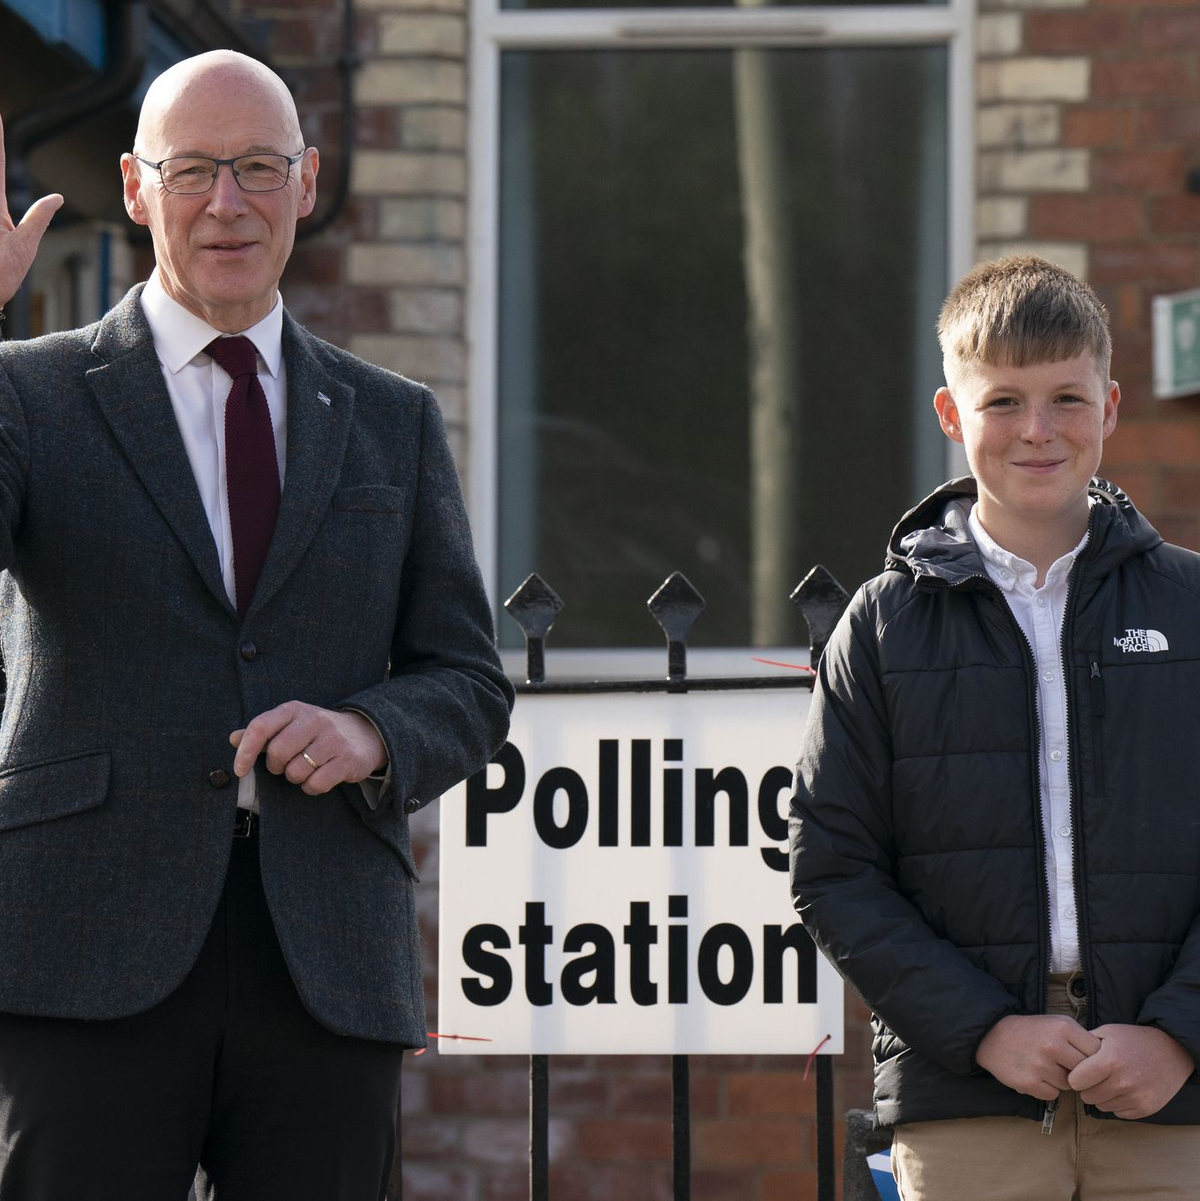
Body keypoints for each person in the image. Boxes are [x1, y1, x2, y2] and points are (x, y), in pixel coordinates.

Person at [0, 50, 513, 1200]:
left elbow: (469, 681)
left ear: (307, 181)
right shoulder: (28, 393)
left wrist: (375, 732)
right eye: (192, 170)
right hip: (79, 945)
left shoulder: (392, 420)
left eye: (258, 168)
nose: (226, 202)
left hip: (323, 957)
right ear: (134, 188)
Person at [790, 255, 1200, 1200]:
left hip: (1172, 1091)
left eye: (1066, 396)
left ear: (1111, 406)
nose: (1038, 430)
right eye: (1004, 401)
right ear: (950, 414)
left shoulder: (1191, 604)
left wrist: (1180, 1031)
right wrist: (985, 1029)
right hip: (968, 1091)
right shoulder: (884, 624)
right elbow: (834, 866)